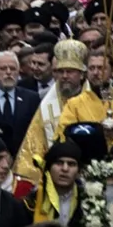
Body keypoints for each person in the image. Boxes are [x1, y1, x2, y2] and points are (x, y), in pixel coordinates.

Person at [14, 40, 90, 184]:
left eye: (70, 71)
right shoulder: (46, 106)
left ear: (82, 74)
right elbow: (33, 147)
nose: (65, 76)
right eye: (60, 71)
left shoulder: (95, 101)